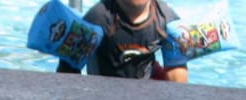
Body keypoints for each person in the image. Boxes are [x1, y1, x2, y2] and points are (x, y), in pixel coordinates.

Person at [56, 0, 189, 82]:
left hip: (147, 89)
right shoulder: (98, 18)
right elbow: (68, 71)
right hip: (104, 91)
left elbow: (177, 80)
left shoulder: (166, 20)